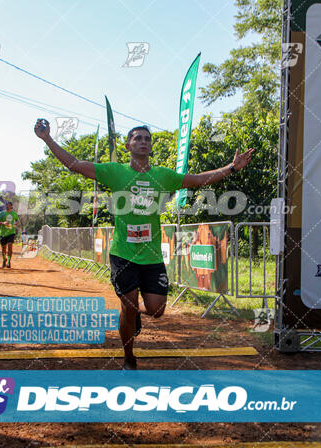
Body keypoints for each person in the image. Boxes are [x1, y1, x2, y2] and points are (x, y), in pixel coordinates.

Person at [34, 118, 254, 369]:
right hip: (123, 253)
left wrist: (232, 168)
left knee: (157, 310)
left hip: (151, 255)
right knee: (127, 307)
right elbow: (73, 164)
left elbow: (198, 180)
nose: (143, 142)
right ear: (128, 145)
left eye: (147, 139)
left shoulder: (163, 175)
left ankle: (137, 314)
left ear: (151, 147)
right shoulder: (115, 172)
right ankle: (128, 357)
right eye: (137, 138)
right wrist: (47, 139)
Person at [0, 201, 19, 268]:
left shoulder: (14, 213)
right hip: (3, 233)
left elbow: (17, 220)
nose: (7, 206)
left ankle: (8, 261)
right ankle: (4, 259)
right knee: (3, 249)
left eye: (8, 205)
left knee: (10, 247)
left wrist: (15, 223)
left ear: (11, 206)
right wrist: (3, 223)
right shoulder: (2, 213)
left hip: (11, 232)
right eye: (6, 205)